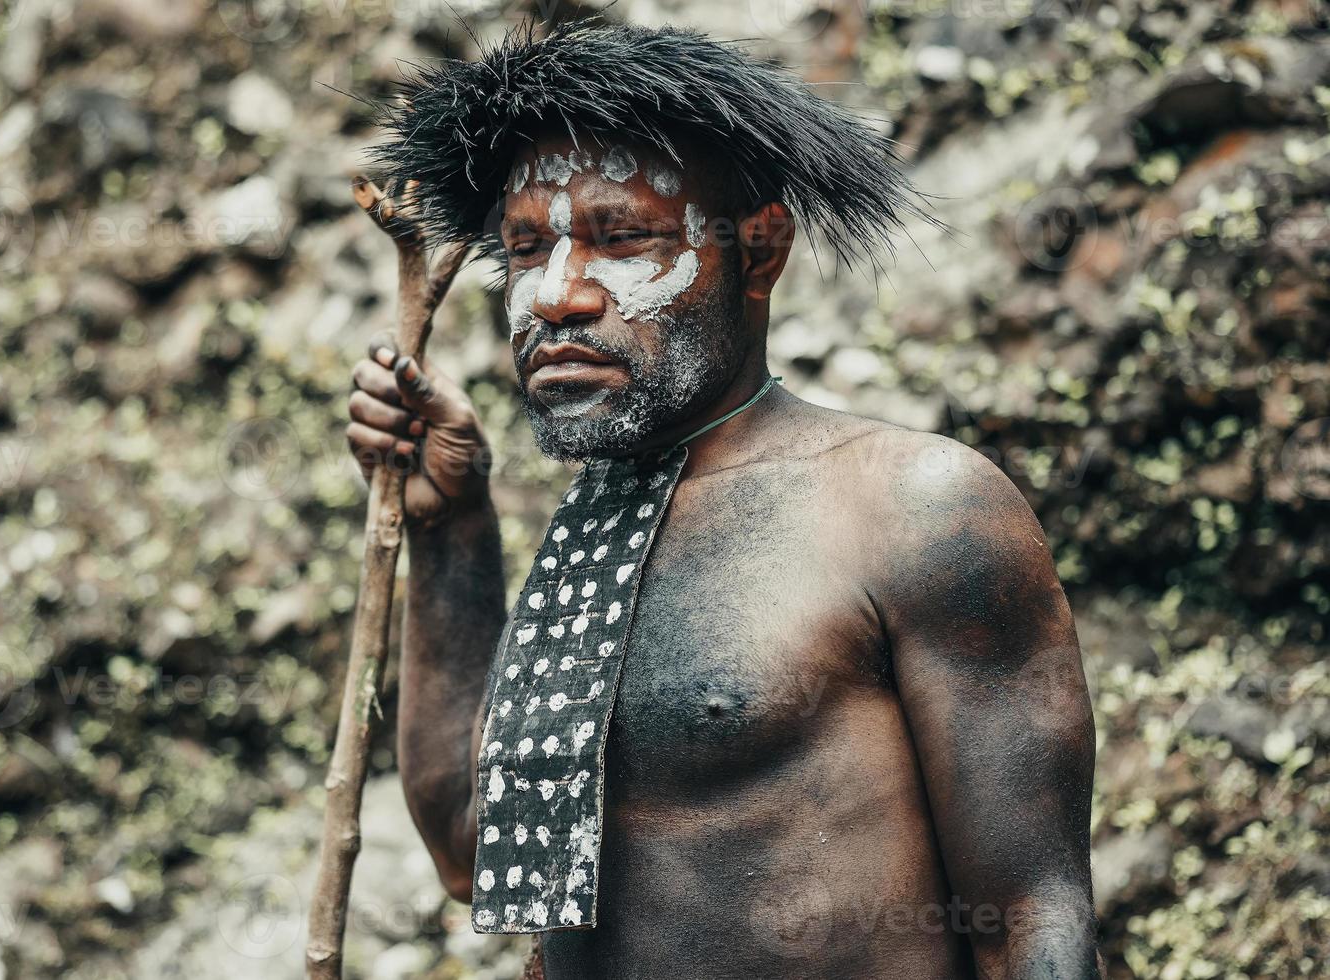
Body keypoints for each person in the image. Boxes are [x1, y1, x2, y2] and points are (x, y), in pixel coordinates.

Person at [347, 20, 1099, 979]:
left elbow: (1030, 919)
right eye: (526, 249)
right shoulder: (589, 547)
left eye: (621, 238)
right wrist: (450, 523)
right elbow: (469, 853)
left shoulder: (910, 506)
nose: (556, 296)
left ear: (759, 251)